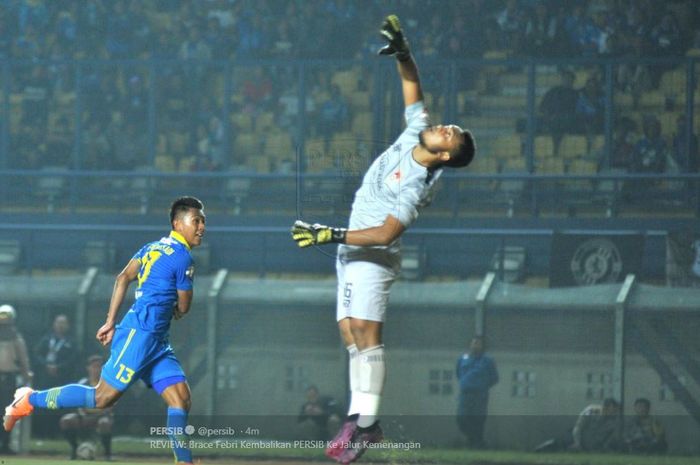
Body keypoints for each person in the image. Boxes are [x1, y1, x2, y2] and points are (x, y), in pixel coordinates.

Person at [291, 15, 475, 465]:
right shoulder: (417, 131)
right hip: (351, 248)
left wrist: (329, 233)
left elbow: (388, 233)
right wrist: (404, 51)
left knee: (368, 334)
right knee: (349, 333)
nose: (445, 126)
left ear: (446, 155)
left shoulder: (419, 183)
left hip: (371, 251)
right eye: (448, 125)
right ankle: (357, 416)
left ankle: (367, 426)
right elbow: (412, 88)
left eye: (450, 133)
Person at [4, 196, 207, 465]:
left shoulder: (152, 246)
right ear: (177, 223)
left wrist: (110, 320)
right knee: (102, 398)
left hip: (156, 340)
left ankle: (184, 462)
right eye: (196, 221)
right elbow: (184, 305)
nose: (202, 226)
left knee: (181, 398)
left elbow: (123, 276)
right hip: (139, 335)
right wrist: (177, 310)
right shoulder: (183, 258)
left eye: (203, 221)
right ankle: (29, 400)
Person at [59, 355, 114, 461]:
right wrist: (83, 415)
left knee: (104, 423)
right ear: (88, 368)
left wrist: (96, 416)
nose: (96, 370)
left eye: (99, 367)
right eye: (93, 367)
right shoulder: (82, 384)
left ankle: (108, 454)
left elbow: (109, 408)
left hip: (101, 416)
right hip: (84, 416)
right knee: (66, 420)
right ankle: (75, 449)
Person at [0, 305, 32, 455]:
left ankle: (5, 444)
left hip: (8, 378)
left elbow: (23, 359)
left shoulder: (17, 338)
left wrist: (26, 376)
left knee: (7, 411)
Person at [455, 336, 499, 449]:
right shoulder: (462, 359)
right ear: (470, 345)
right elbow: (458, 374)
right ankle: (474, 439)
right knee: (462, 419)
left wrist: (482, 386)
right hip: (465, 394)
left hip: (480, 395)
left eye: (478, 343)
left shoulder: (487, 361)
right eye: (474, 343)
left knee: (478, 419)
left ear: (482, 346)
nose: (476, 345)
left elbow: (494, 378)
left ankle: (476, 444)